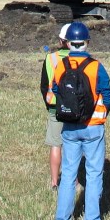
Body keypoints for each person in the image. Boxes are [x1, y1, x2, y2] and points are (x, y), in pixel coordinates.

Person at [52, 21, 110, 220]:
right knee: (94, 174)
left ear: (68, 44)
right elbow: (107, 95)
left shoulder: (61, 66)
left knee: (68, 174)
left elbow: (55, 91)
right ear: (87, 42)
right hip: (93, 126)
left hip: (69, 127)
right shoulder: (96, 67)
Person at [40, 24, 72, 189]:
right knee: (73, 146)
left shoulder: (50, 59)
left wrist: (49, 104)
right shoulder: (83, 59)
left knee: (56, 144)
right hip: (77, 109)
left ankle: (54, 182)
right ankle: (74, 180)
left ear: (61, 40)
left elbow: (44, 86)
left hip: (55, 107)